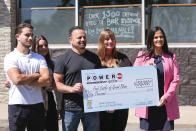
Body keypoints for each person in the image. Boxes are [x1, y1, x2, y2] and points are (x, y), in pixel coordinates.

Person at [4, 23, 51, 131]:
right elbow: (16, 80)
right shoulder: (11, 57)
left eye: (32, 35)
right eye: (27, 35)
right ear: (17, 37)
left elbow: (47, 80)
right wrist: (35, 75)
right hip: (17, 105)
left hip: (37, 104)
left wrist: (24, 79)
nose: (30, 38)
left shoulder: (39, 58)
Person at [53, 26, 101, 131]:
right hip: (71, 107)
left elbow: (101, 82)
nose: (83, 40)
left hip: (91, 106)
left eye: (84, 37)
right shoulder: (63, 59)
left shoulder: (94, 58)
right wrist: (71, 89)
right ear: (71, 40)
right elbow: (56, 84)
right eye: (79, 37)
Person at [134, 26, 180, 131]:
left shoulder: (171, 57)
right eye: (155, 37)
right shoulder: (142, 56)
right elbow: (135, 77)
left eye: (161, 37)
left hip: (165, 103)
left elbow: (175, 80)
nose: (159, 39)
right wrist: (146, 69)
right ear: (151, 39)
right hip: (148, 104)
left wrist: (166, 97)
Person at [97, 29, 132, 131]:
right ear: (101, 41)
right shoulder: (95, 59)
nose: (110, 41)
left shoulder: (123, 58)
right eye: (107, 39)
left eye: (112, 39)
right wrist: (107, 104)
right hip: (102, 107)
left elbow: (132, 76)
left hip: (121, 105)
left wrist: (147, 68)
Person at [32, 35, 62, 131]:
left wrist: (59, 107)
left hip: (49, 99)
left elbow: (56, 86)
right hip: (35, 99)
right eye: (40, 46)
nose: (44, 48)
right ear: (34, 47)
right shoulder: (30, 63)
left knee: (52, 127)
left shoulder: (53, 63)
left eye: (45, 45)